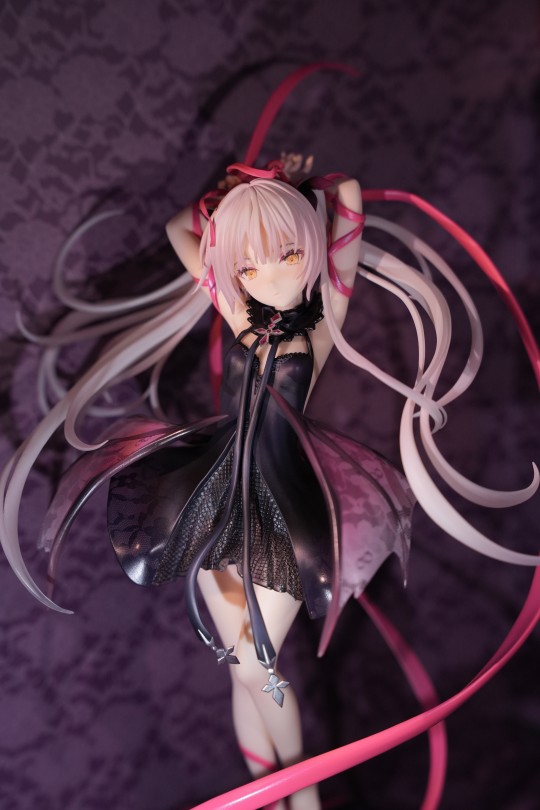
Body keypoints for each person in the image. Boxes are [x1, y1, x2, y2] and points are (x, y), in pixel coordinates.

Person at [1, 73, 538, 810]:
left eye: (283, 254)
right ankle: (271, 797)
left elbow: (348, 198)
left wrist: (287, 184)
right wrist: (234, 198)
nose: (264, 276)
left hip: (286, 499)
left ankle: (301, 798)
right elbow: (181, 231)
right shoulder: (239, 310)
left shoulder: (320, 326)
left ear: (307, 250)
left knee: (260, 665)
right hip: (213, 488)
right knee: (238, 668)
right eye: (247, 263)